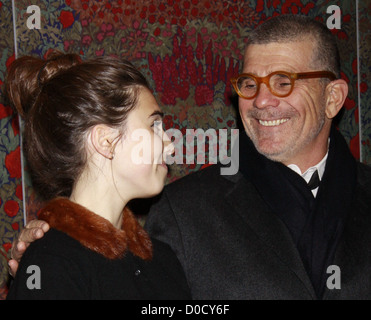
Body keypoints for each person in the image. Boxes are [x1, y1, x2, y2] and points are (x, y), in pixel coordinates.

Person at [9, 14, 371, 300]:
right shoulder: (182, 211)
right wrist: (48, 254)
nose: (261, 101)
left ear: (333, 98)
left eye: (283, 82)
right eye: (248, 84)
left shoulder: (153, 260)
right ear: (104, 140)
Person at [5, 51, 191, 299]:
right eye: (153, 126)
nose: (170, 144)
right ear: (106, 141)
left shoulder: (163, 259)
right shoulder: (53, 264)